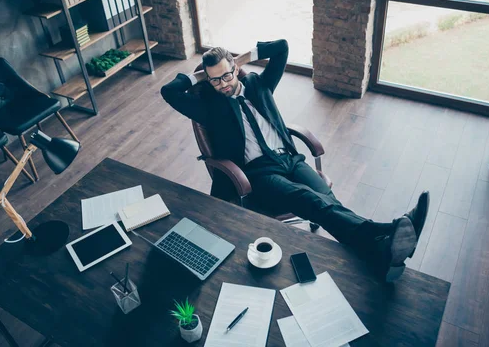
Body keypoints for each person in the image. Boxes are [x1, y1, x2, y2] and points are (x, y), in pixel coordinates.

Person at [161, 39, 429, 281]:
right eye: (215, 80)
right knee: (311, 200)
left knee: (327, 199)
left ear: (235, 66)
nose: (223, 84)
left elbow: (281, 47)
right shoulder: (209, 106)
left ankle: (381, 253)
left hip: (290, 159)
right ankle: (389, 231)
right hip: (259, 173)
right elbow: (168, 92)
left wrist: (241, 60)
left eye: (227, 75)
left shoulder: (258, 83)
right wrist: (198, 77)